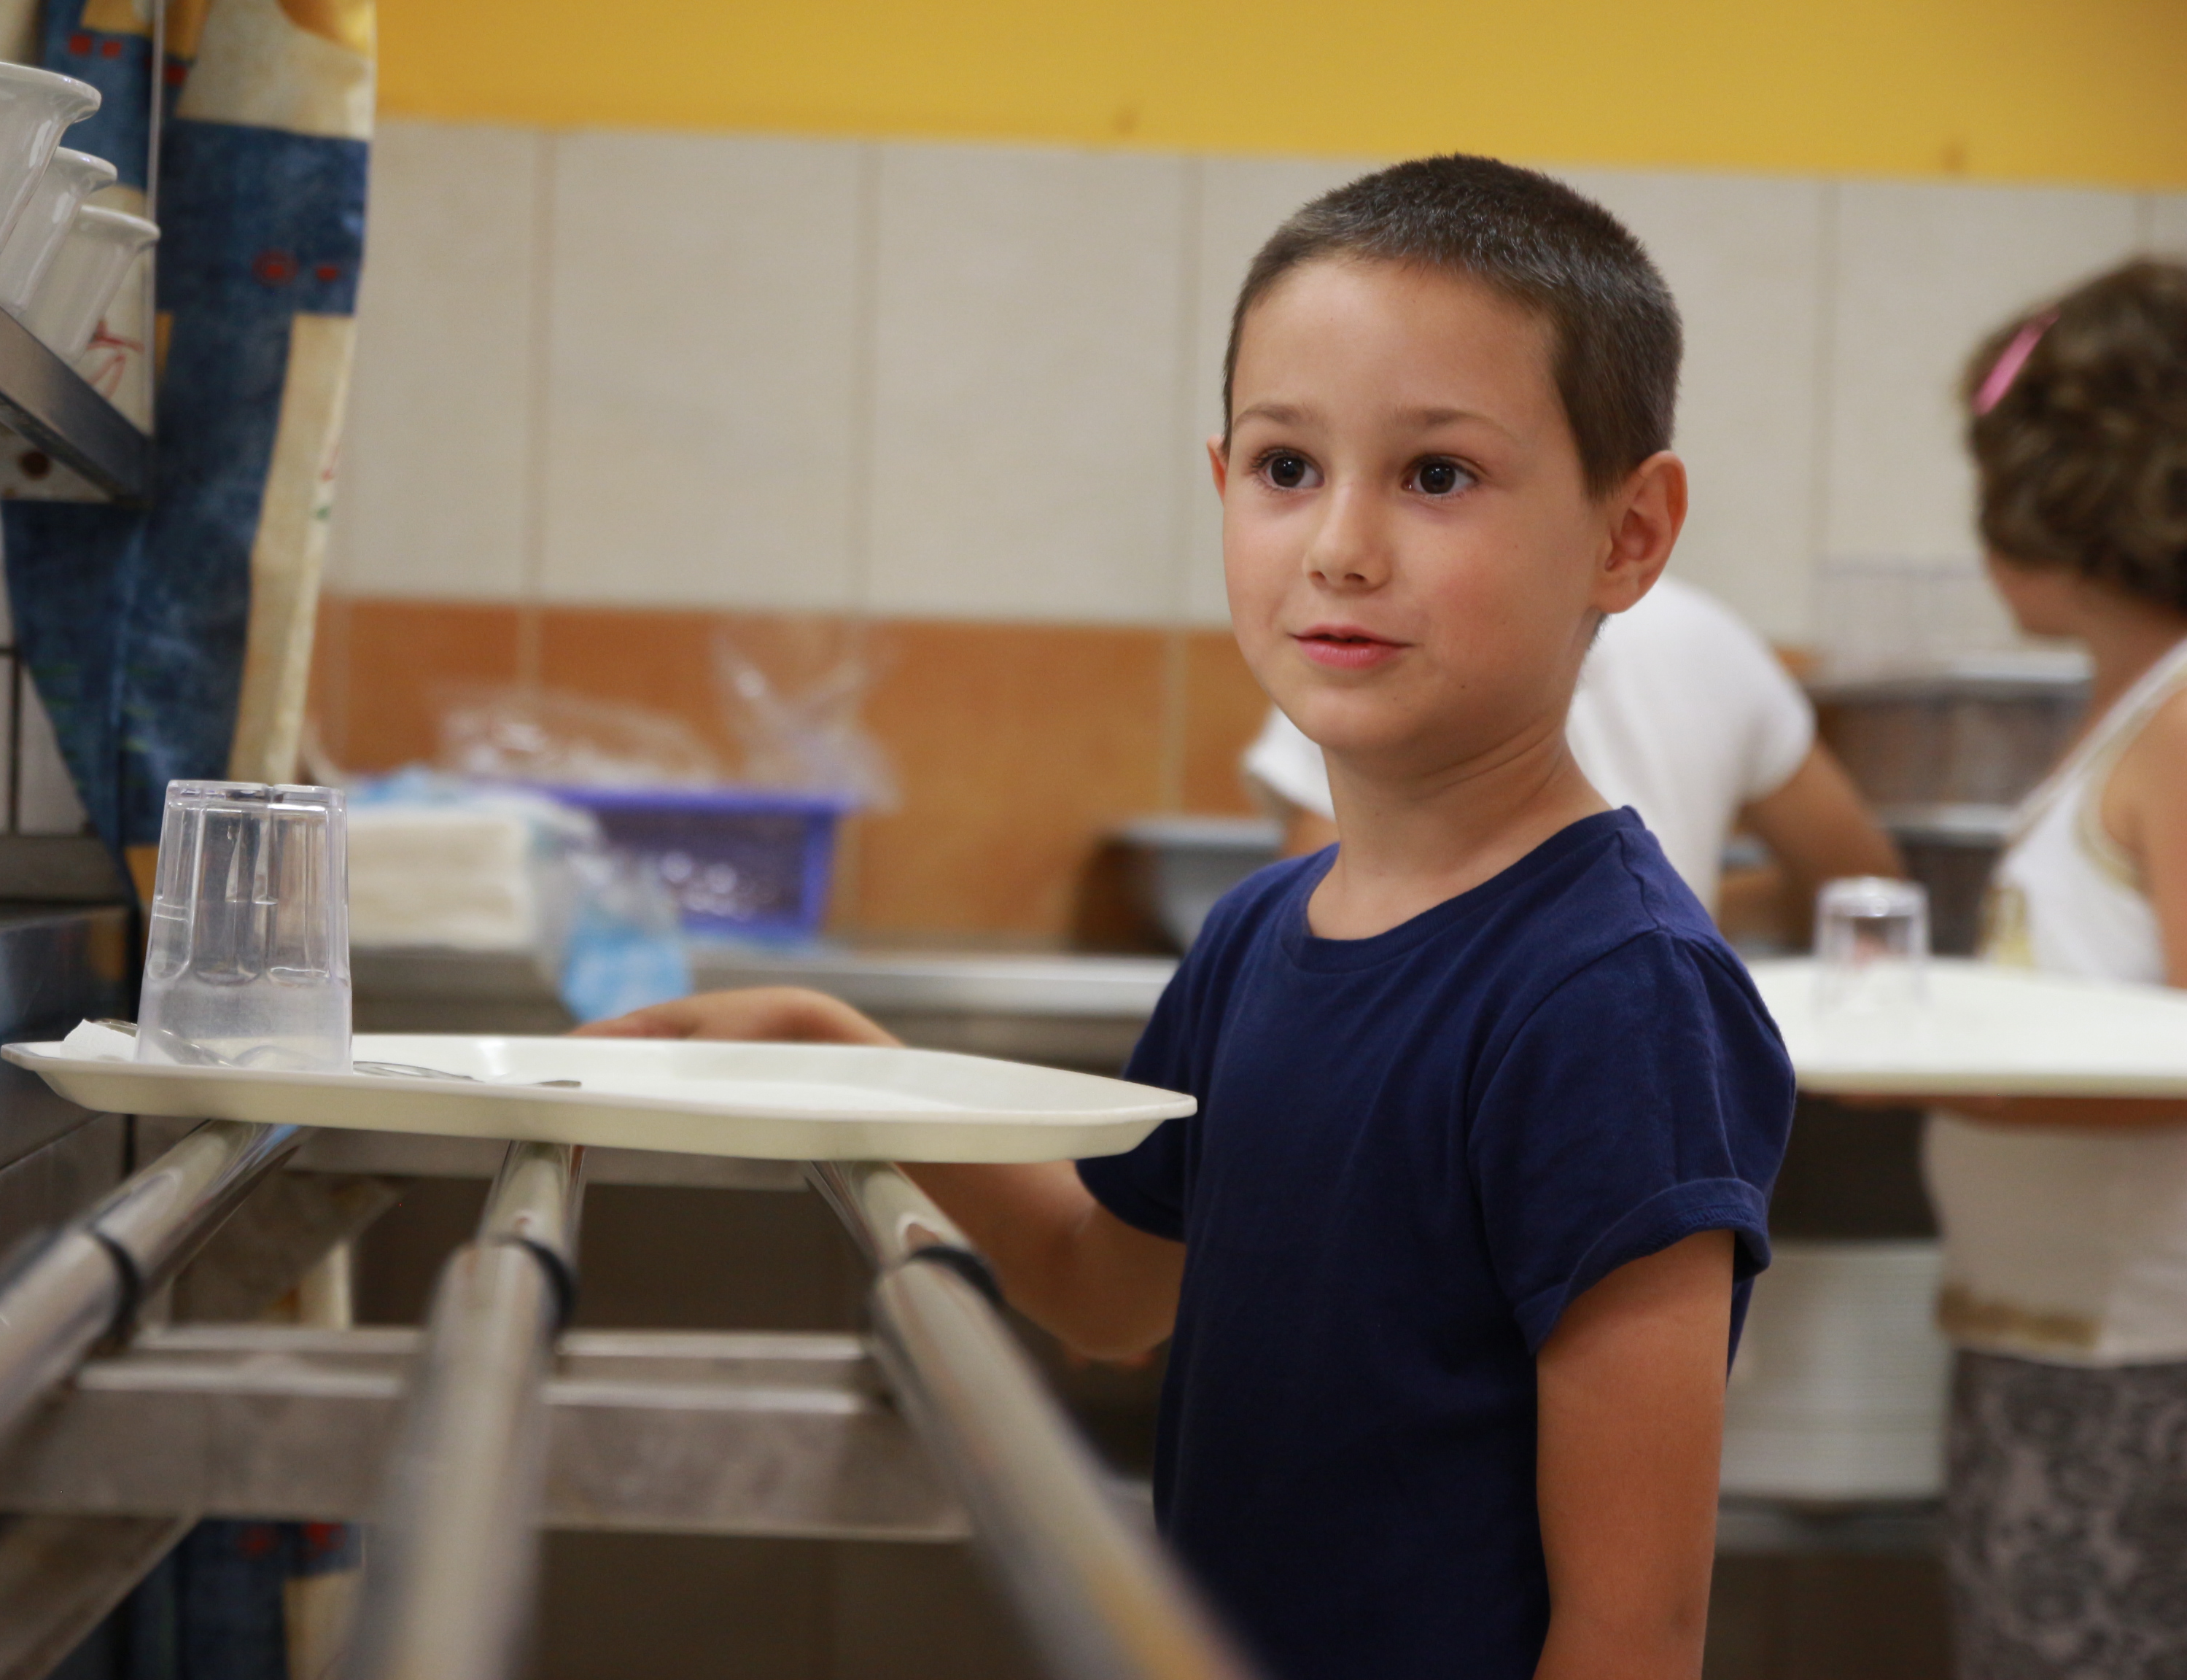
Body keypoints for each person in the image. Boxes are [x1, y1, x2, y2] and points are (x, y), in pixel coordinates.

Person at [583, 157, 1793, 1680]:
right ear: (1222, 482)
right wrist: (832, 1053)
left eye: (1437, 476)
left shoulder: (1616, 997)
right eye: (1288, 466)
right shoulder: (1257, 937)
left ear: (1629, 534)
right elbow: (1107, 1290)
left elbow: (1632, 1631)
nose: (1341, 544)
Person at [1897, 261, 2187, 1679]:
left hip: (2140, 1354)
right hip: (2060, 1338)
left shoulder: (2181, 726)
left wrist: (1957, 1083)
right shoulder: (2130, 714)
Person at [1241, 573, 1901, 922]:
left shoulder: (1362, 647)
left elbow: (1330, 924)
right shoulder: (1709, 640)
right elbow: (1865, 889)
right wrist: (1687, 910)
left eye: (1439, 478)